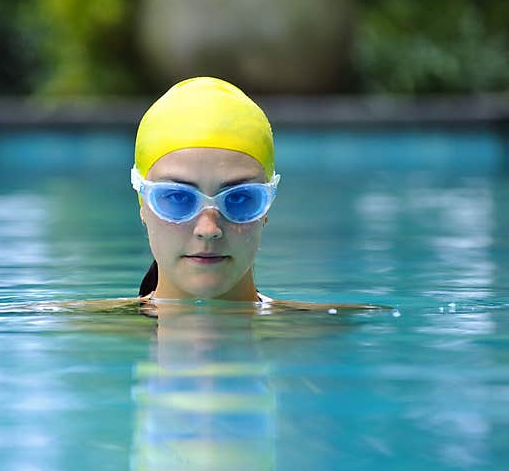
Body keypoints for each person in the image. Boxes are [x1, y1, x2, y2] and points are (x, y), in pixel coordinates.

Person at [53, 76, 386, 315]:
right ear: (143, 204)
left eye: (240, 199)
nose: (208, 229)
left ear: (267, 206)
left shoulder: (329, 329)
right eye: (177, 199)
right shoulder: (80, 325)